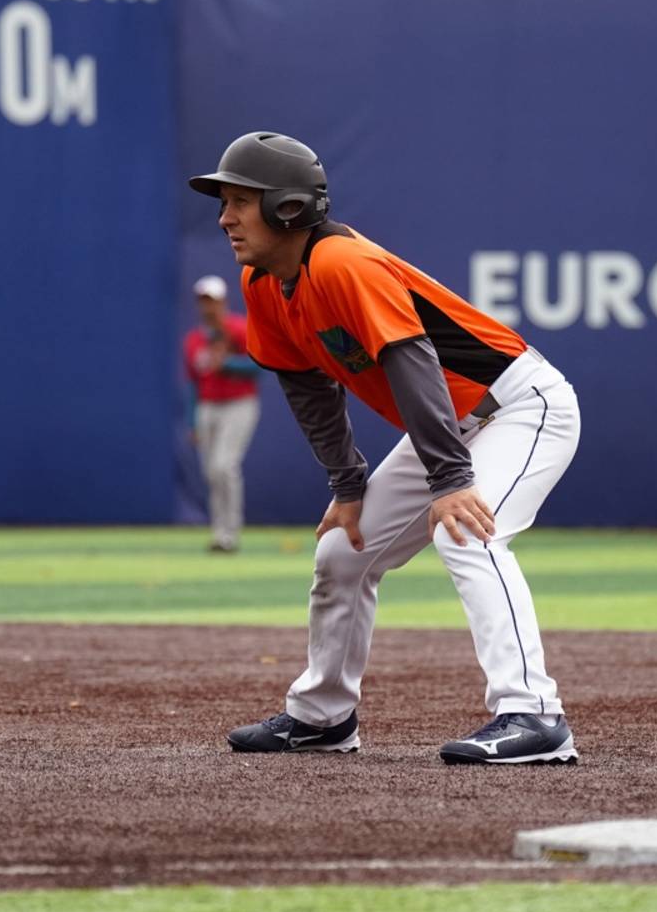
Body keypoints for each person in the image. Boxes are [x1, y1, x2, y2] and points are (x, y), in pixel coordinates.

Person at [189, 132, 582, 765]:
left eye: (240, 200)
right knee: (344, 550)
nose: (225, 217)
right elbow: (306, 384)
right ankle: (323, 717)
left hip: (520, 406)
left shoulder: (344, 264)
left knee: (466, 529)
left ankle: (535, 714)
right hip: (453, 426)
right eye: (225, 203)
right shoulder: (262, 280)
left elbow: (412, 359)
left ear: (289, 208)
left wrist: (451, 479)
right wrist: (347, 487)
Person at [185, 274, 261, 553]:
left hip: (238, 404)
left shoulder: (239, 329)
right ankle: (219, 532)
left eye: (213, 301)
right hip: (207, 406)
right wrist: (192, 420)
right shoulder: (194, 340)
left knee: (224, 466)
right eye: (204, 301)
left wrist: (227, 363)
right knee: (210, 472)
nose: (208, 307)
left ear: (224, 301)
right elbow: (193, 383)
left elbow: (259, 366)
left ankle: (230, 533)